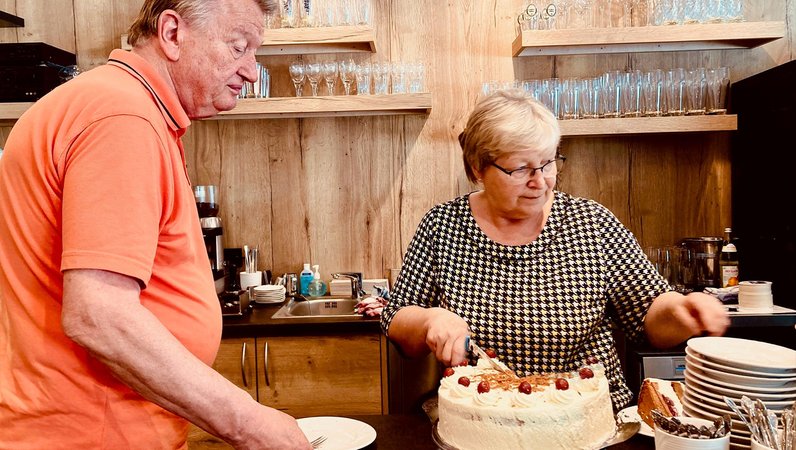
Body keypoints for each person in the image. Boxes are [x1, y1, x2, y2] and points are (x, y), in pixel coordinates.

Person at [0, 1, 311, 448]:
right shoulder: (122, 116)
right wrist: (249, 423)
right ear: (171, 33)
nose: (251, 70)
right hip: (91, 434)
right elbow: (99, 315)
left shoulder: (119, 105)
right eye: (239, 47)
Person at [380, 88, 730, 409]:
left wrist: (682, 311)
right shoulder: (443, 226)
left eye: (549, 162)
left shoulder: (591, 222)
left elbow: (648, 312)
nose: (541, 180)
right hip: (486, 419)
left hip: (589, 421)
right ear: (478, 168)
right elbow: (396, 319)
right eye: (521, 168)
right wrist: (431, 318)